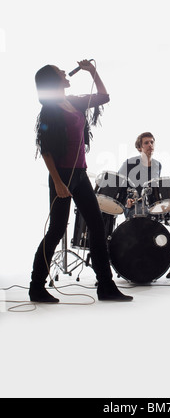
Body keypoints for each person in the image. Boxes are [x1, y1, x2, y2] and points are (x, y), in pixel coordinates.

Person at [30, 60, 133, 303]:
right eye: (59, 72)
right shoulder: (50, 109)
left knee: (97, 227)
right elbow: (46, 150)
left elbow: (104, 97)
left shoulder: (74, 101)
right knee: (56, 230)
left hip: (80, 173)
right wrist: (57, 182)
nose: (65, 73)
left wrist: (93, 71)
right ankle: (36, 287)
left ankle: (106, 286)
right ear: (53, 81)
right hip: (62, 175)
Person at [118, 132, 170, 259]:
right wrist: (126, 200)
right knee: (147, 213)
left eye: (152, 142)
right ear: (139, 147)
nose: (150, 145)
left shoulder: (157, 164)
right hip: (134, 206)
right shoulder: (129, 164)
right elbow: (118, 185)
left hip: (155, 206)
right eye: (146, 143)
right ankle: (144, 255)